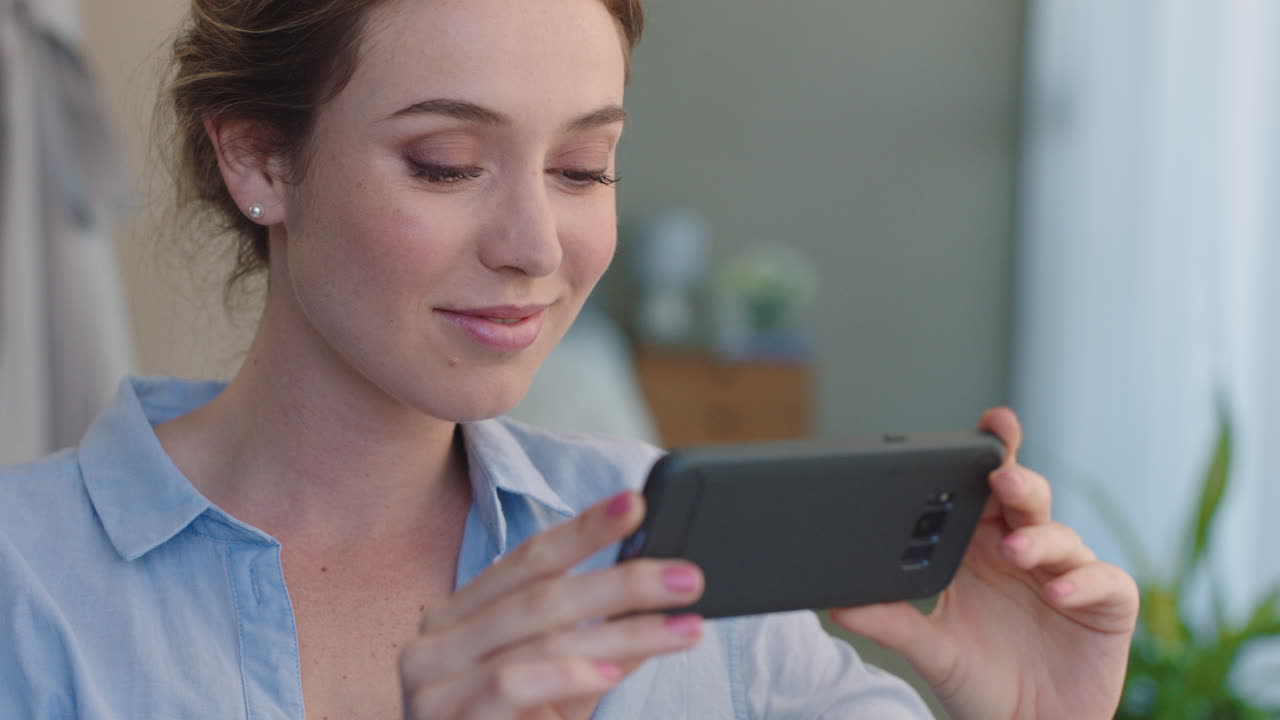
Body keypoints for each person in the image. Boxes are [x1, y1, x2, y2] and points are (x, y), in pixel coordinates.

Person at [0, 0, 1139, 717]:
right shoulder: (28, 591)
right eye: (446, 162)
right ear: (259, 161)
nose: (535, 249)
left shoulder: (689, 572)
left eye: (583, 168)